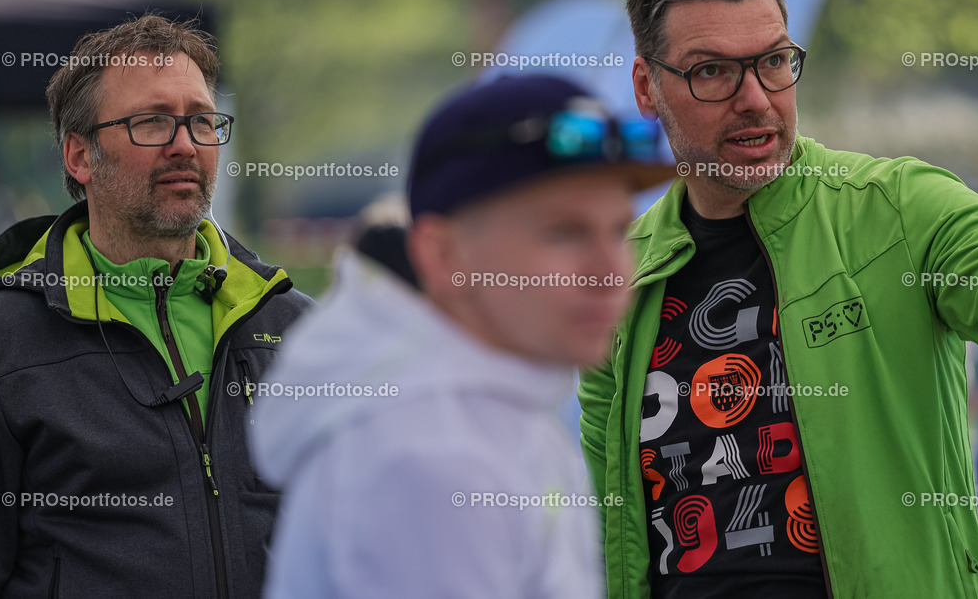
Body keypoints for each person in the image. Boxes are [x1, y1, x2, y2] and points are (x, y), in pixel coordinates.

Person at [578, 0, 978, 598]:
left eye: (774, 61)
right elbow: (606, 526)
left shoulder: (902, 209)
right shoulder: (617, 276)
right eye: (712, 71)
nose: (755, 99)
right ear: (645, 88)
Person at [248, 74, 676, 598]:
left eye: (617, 231)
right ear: (445, 256)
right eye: (564, 233)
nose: (611, 272)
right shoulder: (430, 457)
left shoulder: (492, 406)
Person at [0, 14, 311, 598]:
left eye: (201, 121)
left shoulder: (295, 328)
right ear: (79, 156)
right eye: (152, 123)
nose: (185, 144)